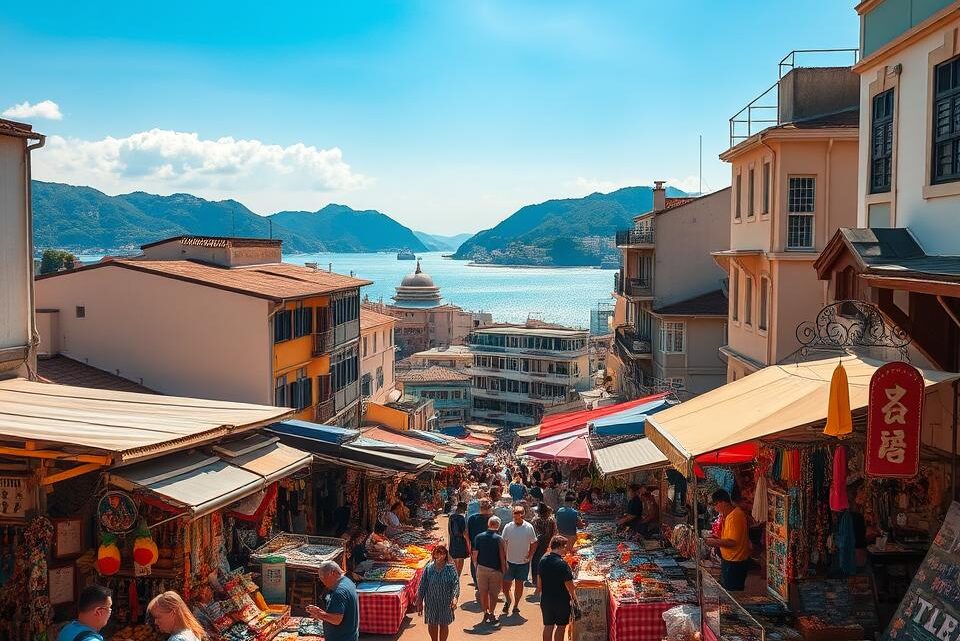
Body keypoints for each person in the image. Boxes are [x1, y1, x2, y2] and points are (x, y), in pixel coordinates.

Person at [704, 489, 752, 591]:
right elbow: (727, 537)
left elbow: (732, 542)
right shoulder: (728, 516)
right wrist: (715, 538)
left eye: (716, 504)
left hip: (735, 562)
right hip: (729, 560)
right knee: (726, 590)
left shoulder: (735, 516)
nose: (715, 508)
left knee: (732, 592)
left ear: (723, 502)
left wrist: (712, 542)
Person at [537, 536, 579, 641]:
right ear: (559, 547)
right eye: (564, 546)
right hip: (561, 601)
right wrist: (575, 599)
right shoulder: (562, 564)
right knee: (561, 627)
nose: (565, 549)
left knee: (548, 626)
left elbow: (539, 584)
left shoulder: (543, 561)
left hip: (546, 599)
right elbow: (570, 585)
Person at [416, 544, 460, 641]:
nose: (440, 556)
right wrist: (419, 600)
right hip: (431, 602)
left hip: (445, 602)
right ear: (434, 555)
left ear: (446, 555)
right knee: (432, 623)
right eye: (438, 553)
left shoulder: (450, 568)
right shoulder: (428, 568)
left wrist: (455, 598)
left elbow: (455, 584)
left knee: (444, 624)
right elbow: (422, 585)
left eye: (443, 553)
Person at [307, 561, 359, 641]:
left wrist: (319, 614)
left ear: (333, 573)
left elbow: (336, 619)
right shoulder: (348, 581)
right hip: (350, 635)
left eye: (324, 578)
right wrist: (320, 612)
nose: (323, 582)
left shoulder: (338, 591)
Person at [500, 505, 539, 614]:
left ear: (523, 515)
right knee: (505, 586)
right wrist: (503, 558)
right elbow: (503, 542)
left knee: (519, 584)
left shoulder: (528, 527)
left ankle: (516, 605)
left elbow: (534, 542)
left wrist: (530, 556)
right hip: (509, 561)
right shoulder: (508, 527)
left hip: (523, 562)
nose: (516, 519)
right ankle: (508, 600)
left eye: (518, 516)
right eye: (514, 516)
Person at [472, 515, 507, 627]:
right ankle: (492, 613)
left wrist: (476, 566)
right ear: (498, 526)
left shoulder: (478, 537)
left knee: (483, 592)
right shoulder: (499, 539)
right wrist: (504, 571)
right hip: (495, 571)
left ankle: (485, 612)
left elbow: (475, 555)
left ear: (488, 524)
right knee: (493, 594)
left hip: (481, 569)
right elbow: (503, 557)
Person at [531, 503, 557, 594]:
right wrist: (551, 543)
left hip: (536, 543)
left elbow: (532, 532)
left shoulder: (535, 520)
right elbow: (554, 532)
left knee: (536, 561)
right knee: (547, 562)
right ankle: (546, 581)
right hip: (547, 543)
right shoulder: (551, 520)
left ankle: (536, 582)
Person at [466, 498, 493, 586]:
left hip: (474, 546)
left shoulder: (471, 518)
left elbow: (467, 534)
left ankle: (477, 582)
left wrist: (469, 546)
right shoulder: (491, 519)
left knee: (474, 564)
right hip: (488, 546)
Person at [448, 501, 470, 575]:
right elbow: (464, 532)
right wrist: (468, 542)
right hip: (460, 541)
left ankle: (455, 575)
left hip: (453, 540)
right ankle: (458, 575)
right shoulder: (461, 518)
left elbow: (449, 530)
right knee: (461, 559)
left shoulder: (451, 517)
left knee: (454, 559)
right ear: (462, 508)